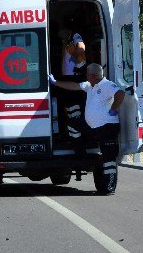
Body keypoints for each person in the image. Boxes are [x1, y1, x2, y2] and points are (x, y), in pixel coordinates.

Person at [49, 63, 125, 194]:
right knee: (73, 125)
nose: (86, 76)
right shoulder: (90, 85)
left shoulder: (106, 85)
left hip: (107, 127)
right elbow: (73, 86)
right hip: (93, 127)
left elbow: (120, 94)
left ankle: (109, 188)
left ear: (93, 76)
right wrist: (55, 83)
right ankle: (80, 151)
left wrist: (113, 109)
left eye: (87, 74)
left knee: (108, 159)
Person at [57, 31, 87, 143]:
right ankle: (75, 140)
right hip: (68, 79)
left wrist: (77, 59)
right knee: (70, 111)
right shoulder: (68, 41)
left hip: (73, 79)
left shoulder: (75, 36)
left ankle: (79, 143)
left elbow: (81, 50)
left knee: (75, 114)